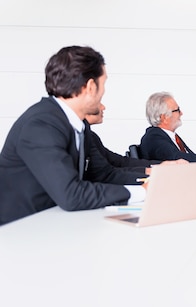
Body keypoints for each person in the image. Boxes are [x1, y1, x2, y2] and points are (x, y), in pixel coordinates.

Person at [0, 46, 146, 226]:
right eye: (104, 83)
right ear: (91, 87)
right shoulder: (40, 125)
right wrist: (141, 193)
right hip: (20, 233)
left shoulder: (78, 125)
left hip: (55, 223)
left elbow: (104, 175)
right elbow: (71, 195)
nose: (104, 93)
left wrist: (153, 182)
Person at [85, 103, 171, 174]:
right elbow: (107, 173)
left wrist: (160, 165)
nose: (103, 107)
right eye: (97, 102)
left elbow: (119, 162)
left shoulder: (91, 136)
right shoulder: (84, 137)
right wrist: (150, 170)